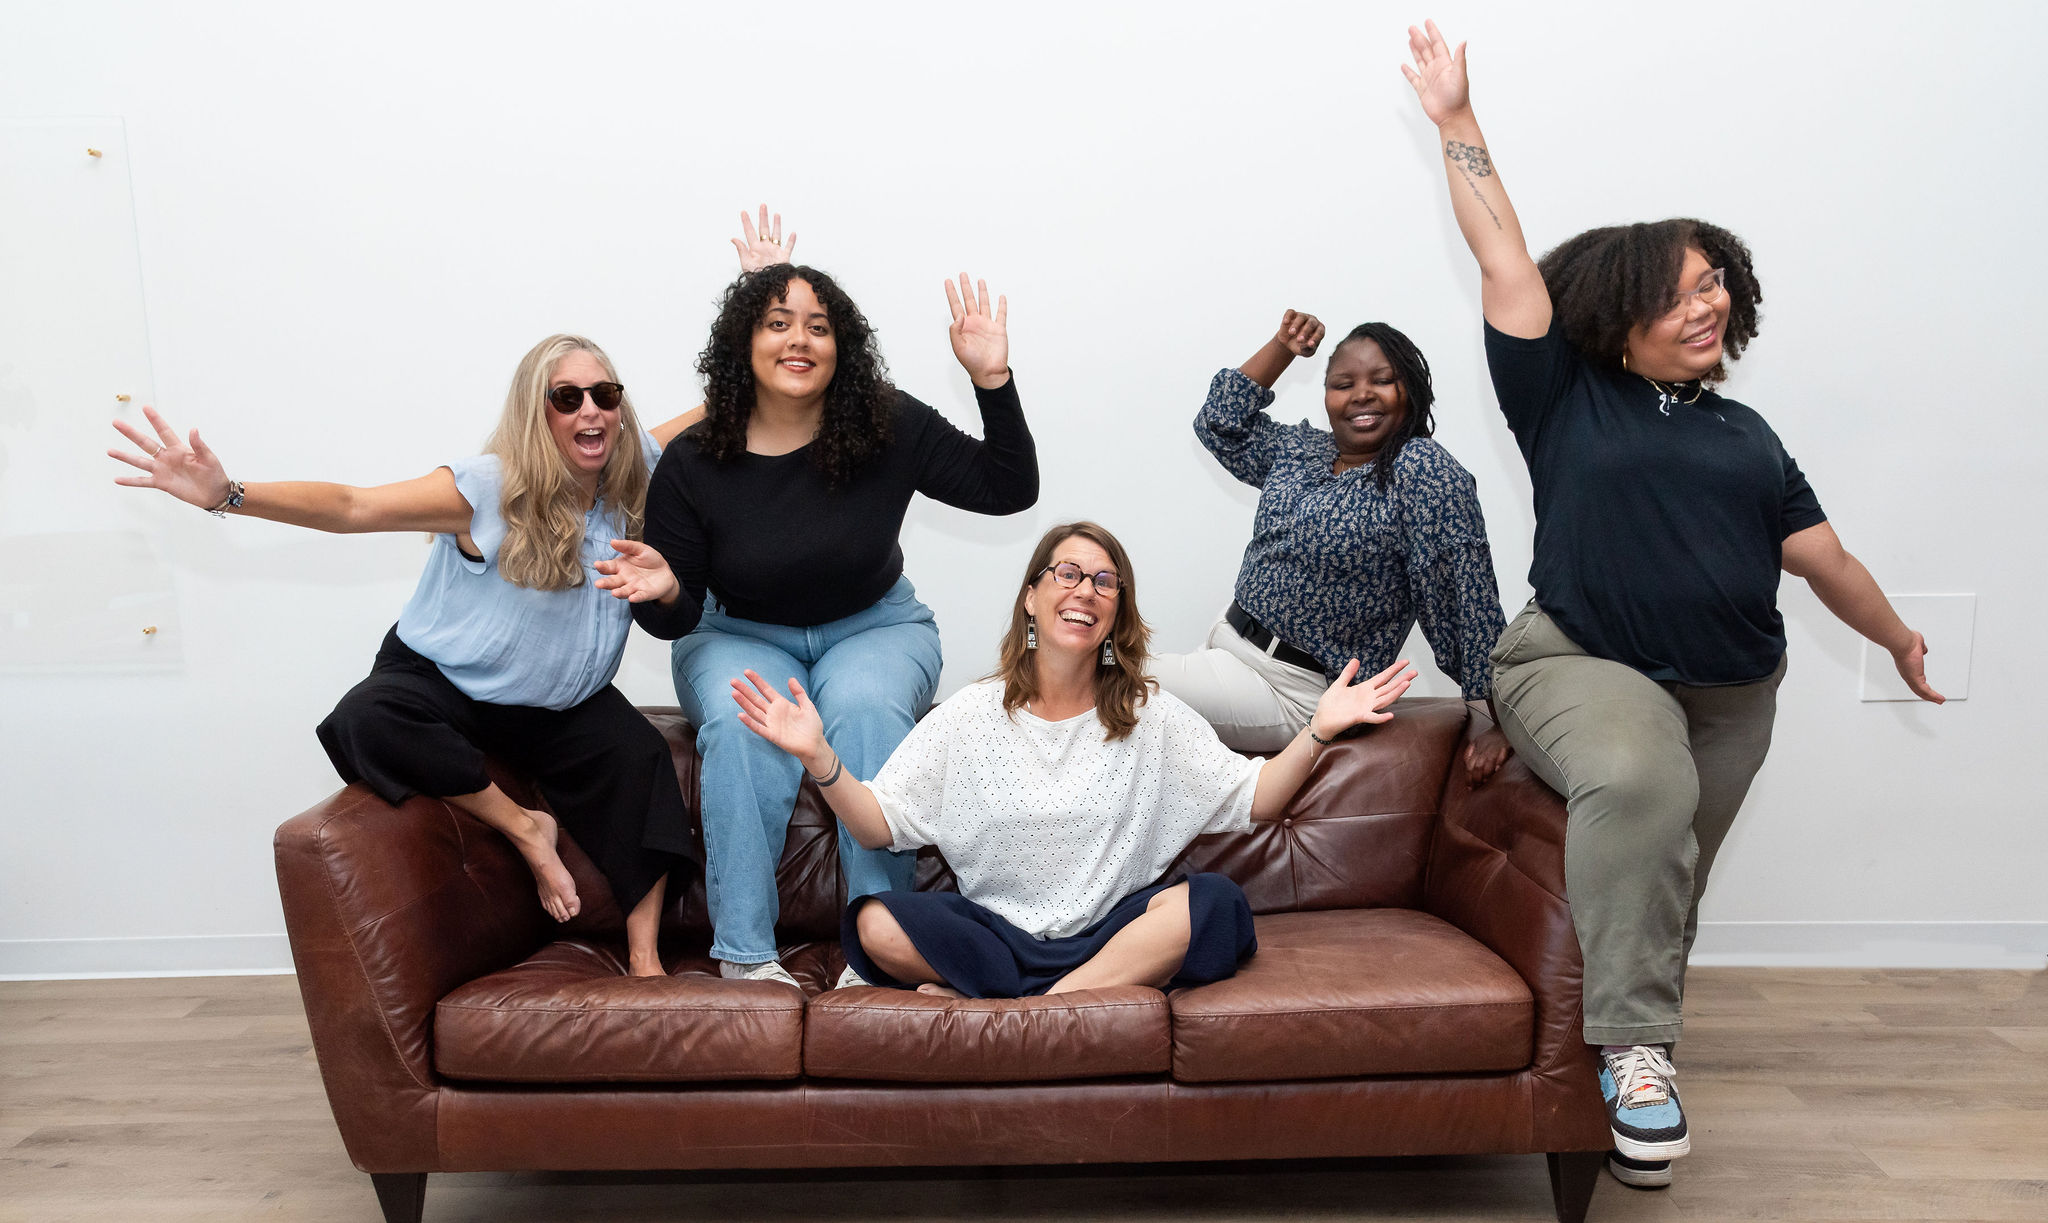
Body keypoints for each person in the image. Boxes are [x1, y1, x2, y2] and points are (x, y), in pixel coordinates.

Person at [1400, 20, 1946, 1188]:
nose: (1704, 305)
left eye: (1713, 285)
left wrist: (1894, 633)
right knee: (1639, 781)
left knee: (1667, 866)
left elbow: (1822, 557)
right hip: (1575, 658)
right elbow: (1503, 257)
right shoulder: (1560, 393)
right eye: (1677, 291)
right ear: (1616, 310)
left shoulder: (1745, 433)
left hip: (1733, 693)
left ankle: (1617, 1063)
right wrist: (1456, 124)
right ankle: (1636, 1053)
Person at [108, 334, 701, 978]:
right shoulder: (486, 488)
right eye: (568, 398)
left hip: (562, 703)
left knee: (640, 758)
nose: (591, 411)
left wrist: (761, 294)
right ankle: (528, 829)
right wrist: (230, 494)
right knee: (365, 719)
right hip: (447, 683)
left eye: (604, 395)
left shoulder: (635, 467)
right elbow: (354, 506)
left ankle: (645, 961)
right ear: (539, 413)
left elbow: (721, 404)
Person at [728, 521, 1416, 998]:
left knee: (1217, 904)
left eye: (1104, 582)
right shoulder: (972, 713)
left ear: (1114, 617)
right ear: (1032, 596)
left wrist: (1319, 729)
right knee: (874, 920)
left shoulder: (1149, 713)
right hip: (996, 935)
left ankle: (1030, 1005)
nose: (1084, 589)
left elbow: (1257, 798)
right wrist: (821, 757)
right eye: (1067, 573)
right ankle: (1056, 997)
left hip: (1110, 936)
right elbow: (877, 825)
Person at [606, 242, 1039, 991]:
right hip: (736, 629)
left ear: (844, 346)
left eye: (818, 326)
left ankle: (884, 947)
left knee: (869, 710)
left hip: (874, 627)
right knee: (748, 724)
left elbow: (1009, 488)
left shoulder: (888, 423)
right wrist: (667, 592)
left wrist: (991, 381)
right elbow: (673, 623)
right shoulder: (694, 458)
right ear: (745, 342)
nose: (799, 340)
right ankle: (745, 956)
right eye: (778, 322)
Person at [1152, 307, 1511, 782]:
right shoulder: (1305, 451)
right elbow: (1219, 423)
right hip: (1226, 644)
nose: (1361, 394)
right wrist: (1283, 347)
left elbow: (1465, 593)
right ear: (1326, 396)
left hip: (1296, 688)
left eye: (1382, 380)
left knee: (1094, 672)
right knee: (1079, 673)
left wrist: (1492, 716)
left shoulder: (1421, 471)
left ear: (1411, 390)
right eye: (1343, 384)